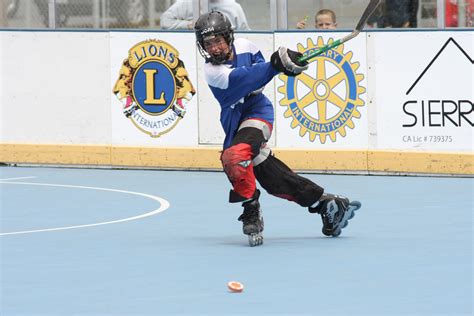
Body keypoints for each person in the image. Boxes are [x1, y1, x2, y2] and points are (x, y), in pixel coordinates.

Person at [194, 10, 361, 246]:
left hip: (257, 113)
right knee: (274, 181)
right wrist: (275, 65)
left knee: (234, 156)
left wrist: (285, 66)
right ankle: (328, 204)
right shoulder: (212, 72)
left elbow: (260, 73)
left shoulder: (245, 46)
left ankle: (251, 209)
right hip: (234, 123)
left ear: (228, 36)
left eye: (218, 41)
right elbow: (247, 77)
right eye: (208, 44)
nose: (214, 48)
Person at [160, 0, 250, 30]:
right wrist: (189, 25)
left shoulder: (234, 7)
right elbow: (165, 21)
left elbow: (246, 35)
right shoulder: (188, 2)